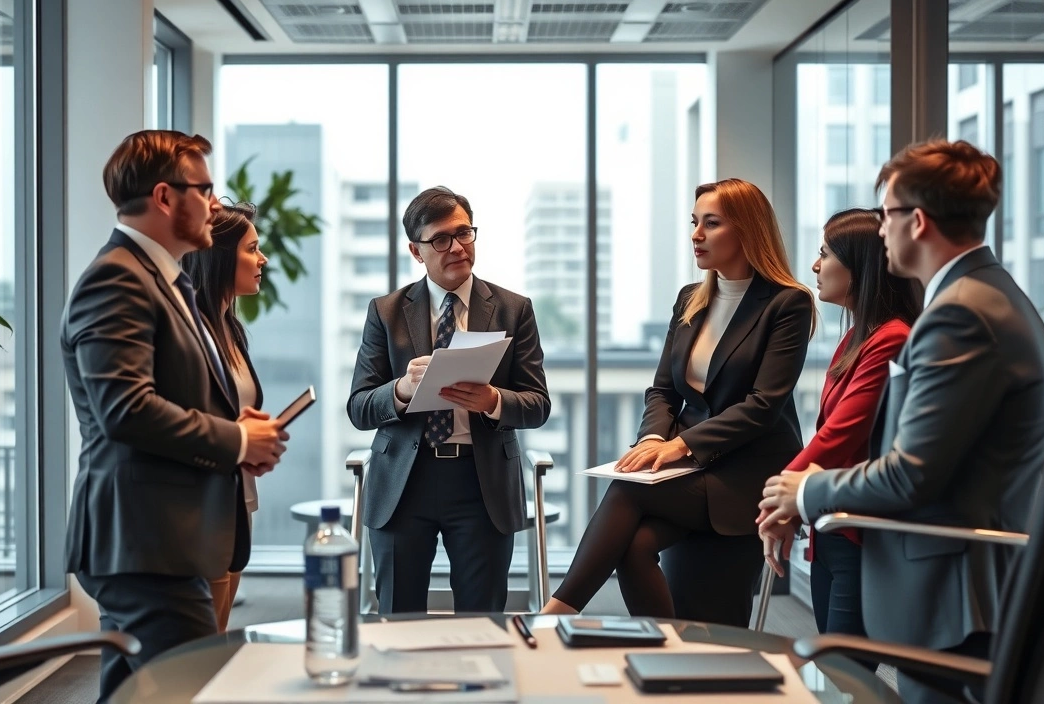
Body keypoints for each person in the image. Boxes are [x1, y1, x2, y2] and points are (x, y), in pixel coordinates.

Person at [758, 139, 1044, 704]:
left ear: (916, 222)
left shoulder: (960, 315)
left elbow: (910, 474)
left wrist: (806, 492)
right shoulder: (984, 296)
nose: (880, 231)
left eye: (887, 216)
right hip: (964, 574)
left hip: (952, 590)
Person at [61, 130, 289, 701]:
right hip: (145, 540)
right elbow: (126, 409)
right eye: (205, 190)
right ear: (165, 197)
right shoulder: (117, 278)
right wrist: (236, 441)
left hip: (165, 538)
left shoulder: (168, 281)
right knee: (183, 691)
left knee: (140, 694)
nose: (215, 204)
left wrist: (241, 435)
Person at [541, 178, 815, 626]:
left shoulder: (787, 303)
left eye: (711, 223)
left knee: (628, 486)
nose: (696, 235)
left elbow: (763, 405)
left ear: (747, 230)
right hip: (693, 472)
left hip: (745, 473)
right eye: (694, 223)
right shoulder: (691, 299)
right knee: (633, 546)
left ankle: (553, 615)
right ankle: (665, 650)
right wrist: (652, 437)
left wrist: (677, 447)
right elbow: (663, 390)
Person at [347, 185, 551, 614]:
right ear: (417, 252)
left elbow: (537, 403)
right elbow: (360, 407)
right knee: (398, 620)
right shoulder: (386, 312)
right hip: (404, 481)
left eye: (464, 233)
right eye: (441, 239)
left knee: (483, 620)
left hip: (481, 484)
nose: (457, 247)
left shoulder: (514, 309)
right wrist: (401, 390)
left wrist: (493, 399)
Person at [758, 208, 920, 640]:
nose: (815, 265)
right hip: (832, 526)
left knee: (846, 673)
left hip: (861, 535)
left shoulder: (892, 338)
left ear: (860, 266)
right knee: (833, 671)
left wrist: (780, 497)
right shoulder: (856, 338)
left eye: (825, 254)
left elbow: (841, 434)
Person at [181, 203, 269, 632]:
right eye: (253, 249)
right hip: (202, 504)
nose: (263, 259)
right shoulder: (190, 331)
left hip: (238, 495)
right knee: (198, 642)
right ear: (220, 257)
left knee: (216, 631)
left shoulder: (230, 328)